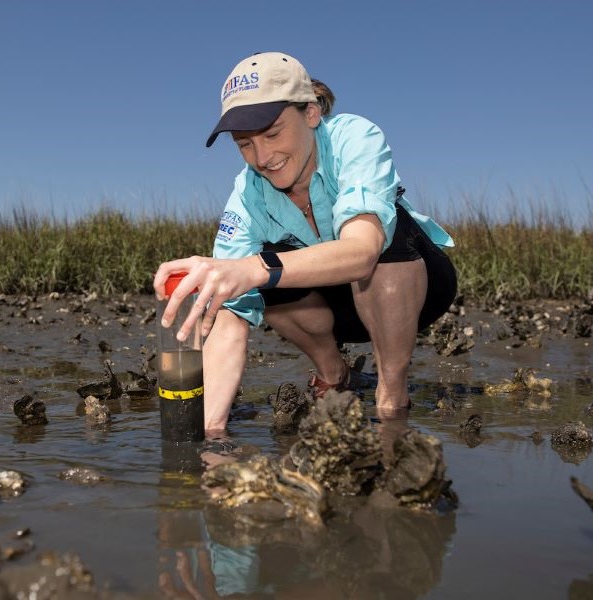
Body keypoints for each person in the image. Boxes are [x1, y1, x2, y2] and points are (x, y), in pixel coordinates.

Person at [154, 51, 456, 433]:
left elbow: (363, 252)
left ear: (311, 114)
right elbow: (229, 321)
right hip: (335, 306)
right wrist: (205, 434)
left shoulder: (353, 136)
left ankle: (392, 394)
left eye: (273, 133)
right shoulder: (246, 194)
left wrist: (252, 268)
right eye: (244, 144)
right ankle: (333, 371)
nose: (262, 157)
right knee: (250, 279)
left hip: (413, 286)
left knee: (382, 239)